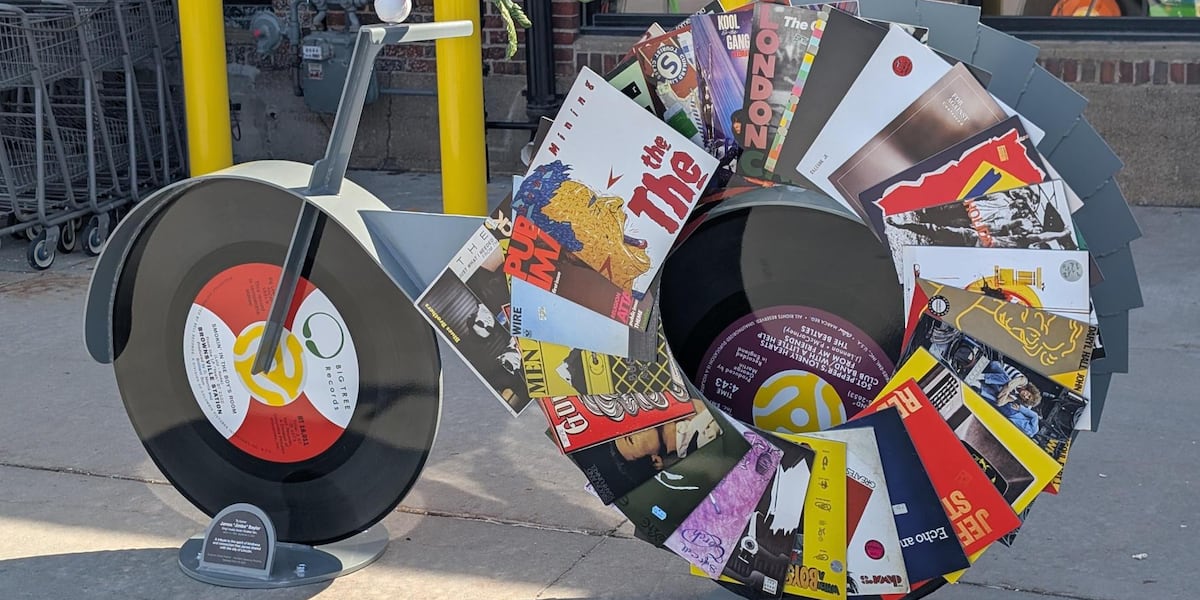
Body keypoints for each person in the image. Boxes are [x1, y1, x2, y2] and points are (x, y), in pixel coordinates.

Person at [976, 360, 1042, 437]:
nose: (1026, 396)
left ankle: (980, 387)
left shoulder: (1015, 396)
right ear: (1030, 390)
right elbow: (1035, 416)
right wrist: (1020, 408)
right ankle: (981, 378)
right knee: (1006, 382)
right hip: (996, 367)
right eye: (1029, 395)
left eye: (1026, 399)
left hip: (1008, 415)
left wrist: (1005, 395)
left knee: (998, 400)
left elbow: (1000, 402)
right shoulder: (1024, 382)